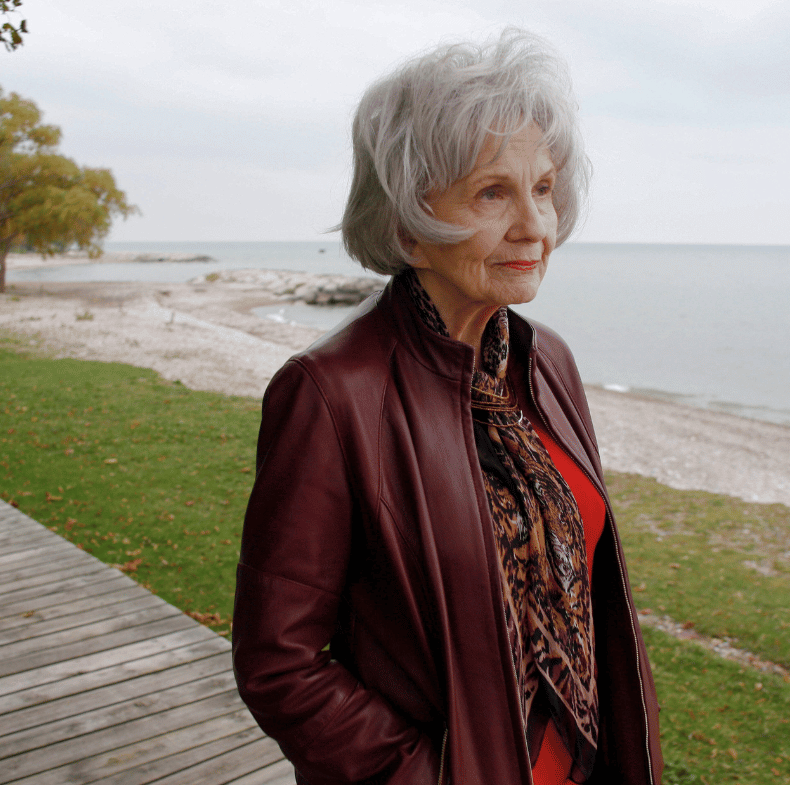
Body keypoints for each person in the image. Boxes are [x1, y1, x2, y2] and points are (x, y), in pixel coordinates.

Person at [233, 29, 663, 785]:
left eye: (541, 188)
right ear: (408, 226)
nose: (535, 225)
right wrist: (431, 775)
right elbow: (280, 662)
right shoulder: (330, 394)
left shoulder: (544, 360)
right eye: (492, 192)